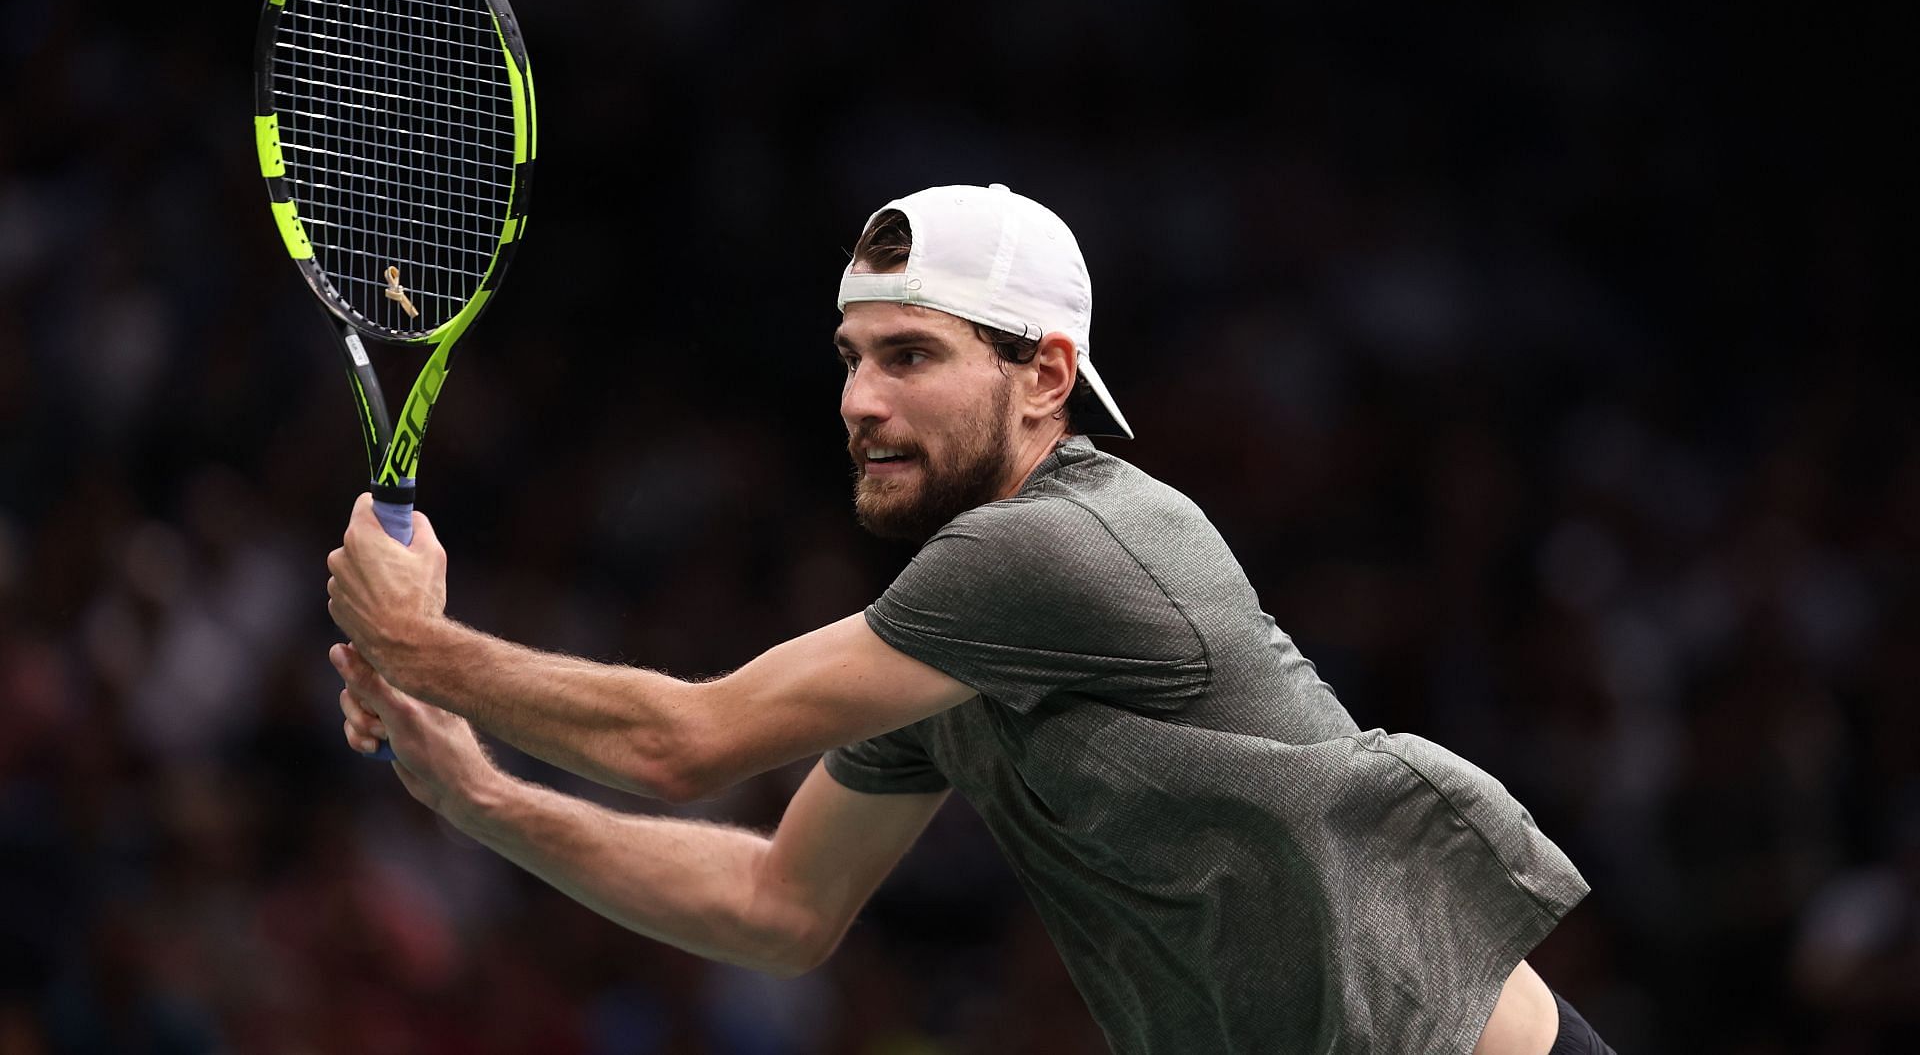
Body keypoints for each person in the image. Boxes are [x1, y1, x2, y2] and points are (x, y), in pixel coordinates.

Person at [325, 184, 1616, 1054]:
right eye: (851, 357)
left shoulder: (1059, 549)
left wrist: (420, 644)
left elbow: (691, 741)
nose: (859, 402)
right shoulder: (948, 646)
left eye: (912, 356)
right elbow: (781, 903)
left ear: (1046, 375)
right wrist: (478, 795)